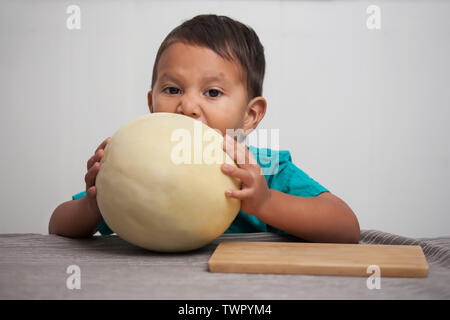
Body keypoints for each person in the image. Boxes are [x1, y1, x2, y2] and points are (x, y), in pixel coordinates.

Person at [49, 14, 360, 243]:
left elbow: (346, 227)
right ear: (151, 103)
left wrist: (266, 203)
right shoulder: (134, 166)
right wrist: (94, 202)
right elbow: (57, 227)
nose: (188, 106)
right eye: (172, 90)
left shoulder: (265, 170)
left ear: (250, 115)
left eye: (212, 93)